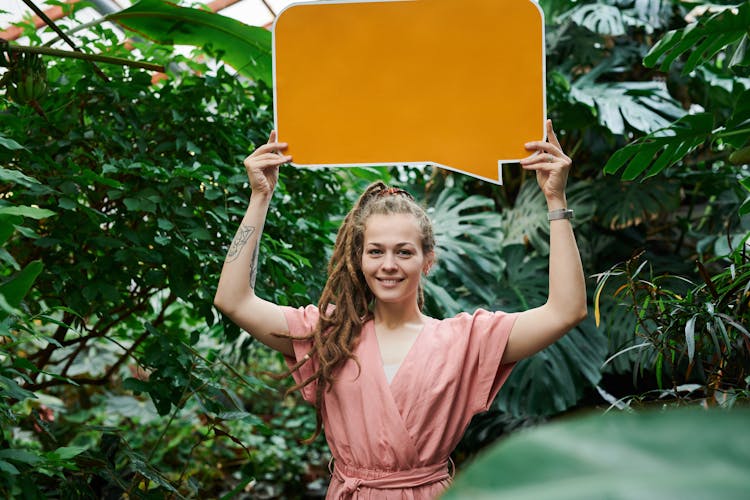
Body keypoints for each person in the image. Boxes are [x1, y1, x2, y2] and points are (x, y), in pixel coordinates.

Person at [213, 120, 587, 499]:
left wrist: (556, 201)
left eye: (404, 251)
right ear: (358, 258)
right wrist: (260, 197)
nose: (388, 264)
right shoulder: (328, 334)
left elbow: (565, 311)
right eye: (375, 251)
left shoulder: (465, 340)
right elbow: (233, 300)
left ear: (427, 260)